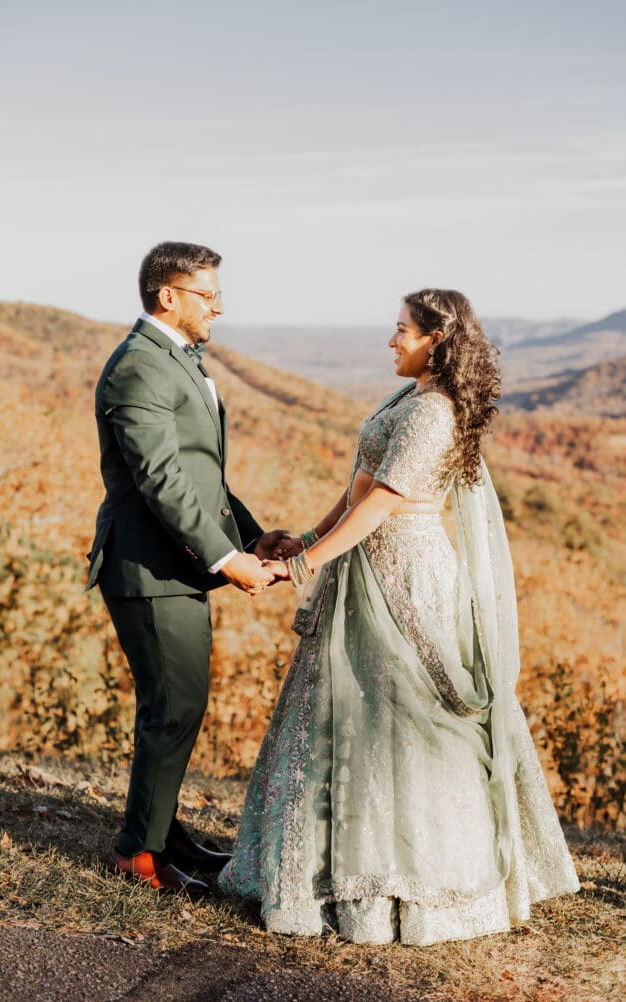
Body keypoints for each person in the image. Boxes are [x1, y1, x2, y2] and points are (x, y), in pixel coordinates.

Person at [219, 289, 579, 944]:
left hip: (406, 577)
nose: (391, 342)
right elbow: (355, 486)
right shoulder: (403, 401)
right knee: (340, 713)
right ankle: (320, 876)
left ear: (435, 342)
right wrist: (305, 540)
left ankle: (402, 891)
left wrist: (299, 569)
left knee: (401, 720)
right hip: (363, 567)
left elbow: (382, 503)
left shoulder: (433, 414)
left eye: (402, 332)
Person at [86, 241, 287, 897]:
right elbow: (163, 482)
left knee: (179, 704)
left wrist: (255, 540)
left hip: (176, 563)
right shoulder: (139, 368)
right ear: (167, 295)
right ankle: (136, 856)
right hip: (147, 568)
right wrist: (227, 560)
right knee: (172, 707)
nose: (218, 308)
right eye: (208, 294)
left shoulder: (177, 361)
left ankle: (163, 832)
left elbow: (206, 477)